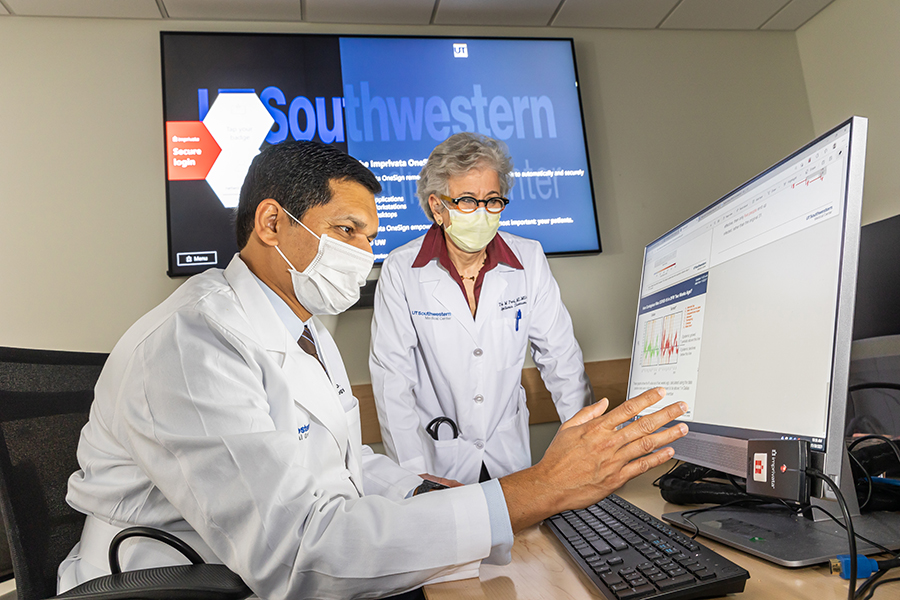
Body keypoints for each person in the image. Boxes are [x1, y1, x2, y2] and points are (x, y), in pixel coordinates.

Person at [59, 140, 688, 600]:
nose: (363, 256)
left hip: (239, 570)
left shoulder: (303, 328)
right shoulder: (193, 343)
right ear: (272, 222)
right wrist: (535, 491)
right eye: (347, 231)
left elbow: (343, 462)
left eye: (369, 237)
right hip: (167, 583)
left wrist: (431, 493)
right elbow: (299, 556)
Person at [370, 132, 594, 484]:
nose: (482, 213)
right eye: (467, 202)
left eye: (492, 200)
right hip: (437, 458)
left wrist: (587, 447)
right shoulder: (401, 270)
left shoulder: (529, 258)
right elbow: (392, 381)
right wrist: (413, 476)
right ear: (437, 207)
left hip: (509, 454)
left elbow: (561, 360)